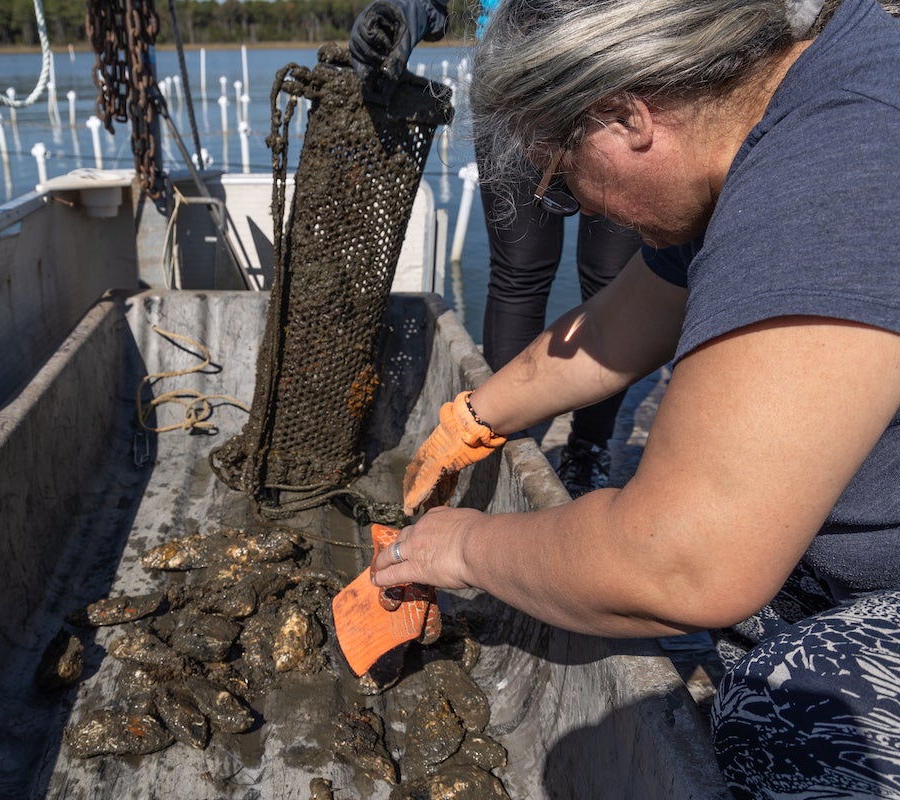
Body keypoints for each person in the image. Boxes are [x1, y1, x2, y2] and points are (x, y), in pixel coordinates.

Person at [367, 0, 900, 797]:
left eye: (561, 184)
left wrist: (465, 548)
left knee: (788, 714)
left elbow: (683, 562)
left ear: (624, 116)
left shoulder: (840, 161)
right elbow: (629, 316)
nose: (573, 206)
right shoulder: (762, 109)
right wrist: (470, 420)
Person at [352, 0, 643, 499]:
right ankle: (510, 445)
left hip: (625, 59)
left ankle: (589, 447)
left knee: (617, 280)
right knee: (519, 273)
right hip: (515, 66)